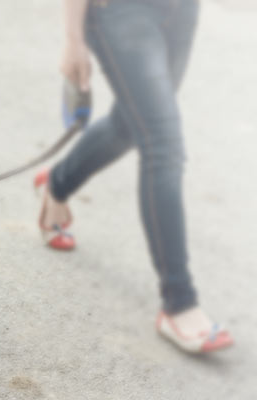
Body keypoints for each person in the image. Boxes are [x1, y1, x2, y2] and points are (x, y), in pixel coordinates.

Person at [36, 0, 233, 353]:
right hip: (121, 12)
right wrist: (73, 38)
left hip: (182, 10)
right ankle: (179, 302)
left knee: (131, 123)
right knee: (163, 144)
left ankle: (58, 183)